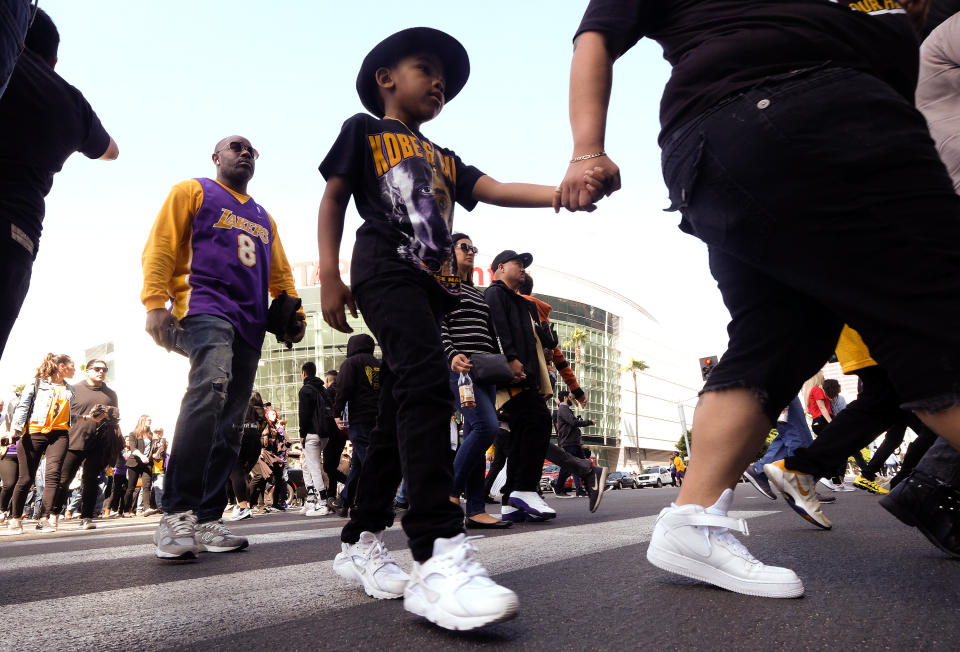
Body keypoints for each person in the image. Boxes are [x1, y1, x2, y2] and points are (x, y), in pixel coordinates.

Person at [559, 0, 960, 599]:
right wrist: (587, 149)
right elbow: (598, 33)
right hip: (800, 117)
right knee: (934, 317)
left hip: (720, 154)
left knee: (780, 334)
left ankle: (690, 521)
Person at [316, 27, 602, 630]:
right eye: (426, 68)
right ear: (385, 79)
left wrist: (561, 192)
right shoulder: (364, 131)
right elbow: (335, 198)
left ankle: (358, 542)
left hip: (430, 288)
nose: (439, 82)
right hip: (381, 271)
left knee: (403, 408)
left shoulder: (444, 158)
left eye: (445, 78)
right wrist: (329, 276)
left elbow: (493, 189)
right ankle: (435, 553)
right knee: (424, 387)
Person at [141, 134, 304, 560]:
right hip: (205, 305)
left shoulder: (265, 218)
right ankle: (175, 512)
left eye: (252, 149)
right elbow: (160, 245)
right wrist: (155, 300)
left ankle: (209, 517)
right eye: (236, 146)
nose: (246, 152)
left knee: (232, 419)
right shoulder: (193, 190)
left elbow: (282, 277)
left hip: (251, 324)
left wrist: (295, 316)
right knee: (209, 389)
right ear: (216, 157)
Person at [0, 8, 118, 358]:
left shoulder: (12, 67)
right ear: (53, 60)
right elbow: (110, 150)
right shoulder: (69, 101)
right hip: (14, 238)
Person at [440, 233, 509, 529]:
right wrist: (451, 353)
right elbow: (438, 324)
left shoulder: (477, 293)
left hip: (485, 372)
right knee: (486, 427)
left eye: (473, 248)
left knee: (474, 436)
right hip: (462, 369)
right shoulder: (443, 286)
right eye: (464, 247)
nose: (470, 252)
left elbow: (489, 334)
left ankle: (476, 509)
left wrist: (503, 366)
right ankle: (448, 493)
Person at [3, 353, 75, 535]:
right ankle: (15, 519)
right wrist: (15, 430)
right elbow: (23, 407)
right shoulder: (36, 384)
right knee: (25, 479)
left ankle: (46, 518)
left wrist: (86, 417)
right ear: (61, 366)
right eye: (71, 366)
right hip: (34, 433)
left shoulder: (70, 389)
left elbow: (64, 415)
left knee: (53, 475)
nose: (74, 369)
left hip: (59, 435)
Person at [52, 359, 120, 530]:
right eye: (97, 369)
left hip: (98, 443)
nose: (101, 372)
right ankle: (53, 515)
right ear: (87, 371)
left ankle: (87, 517)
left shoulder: (111, 393)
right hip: (73, 441)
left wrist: (109, 414)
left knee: (91, 480)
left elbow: (115, 418)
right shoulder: (73, 389)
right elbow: (62, 415)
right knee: (64, 480)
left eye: (104, 369)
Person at [333, 334, 381, 513]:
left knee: (368, 460)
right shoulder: (378, 364)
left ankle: (376, 501)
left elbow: (343, 389)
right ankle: (344, 500)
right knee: (359, 463)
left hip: (360, 418)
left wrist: (336, 412)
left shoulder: (351, 363)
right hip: (378, 419)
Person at [299, 361, 332, 516]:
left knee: (313, 467)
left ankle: (322, 502)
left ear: (304, 373)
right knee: (306, 464)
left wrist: (301, 434)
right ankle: (311, 499)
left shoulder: (305, 390)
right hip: (325, 434)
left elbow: (304, 415)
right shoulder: (322, 389)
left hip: (311, 434)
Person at [553, 390, 594, 497]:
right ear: (566, 398)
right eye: (570, 397)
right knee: (567, 467)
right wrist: (589, 422)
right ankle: (559, 489)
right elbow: (574, 422)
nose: (572, 399)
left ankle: (587, 489)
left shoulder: (565, 409)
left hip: (574, 443)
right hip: (568, 443)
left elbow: (573, 423)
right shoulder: (563, 409)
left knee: (583, 465)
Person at [123, 415, 158, 517]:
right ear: (142, 421)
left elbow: (152, 450)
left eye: (151, 420)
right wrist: (142, 456)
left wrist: (154, 454)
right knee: (131, 488)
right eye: (148, 420)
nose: (150, 421)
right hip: (135, 462)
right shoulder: (133, 434)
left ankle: (147, 509)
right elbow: (133, 449)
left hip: (147, 463)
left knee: (146, 486)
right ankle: (126, 510)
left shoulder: (151, 435)